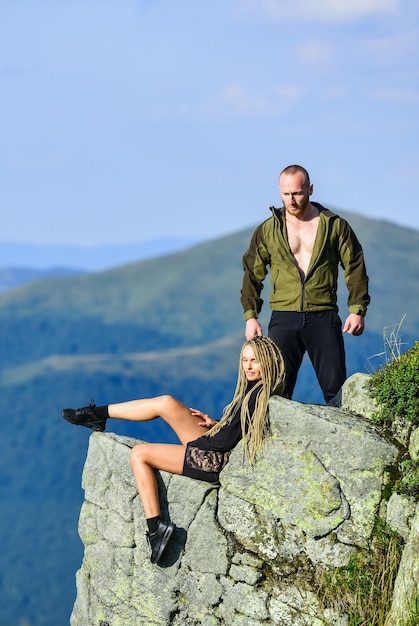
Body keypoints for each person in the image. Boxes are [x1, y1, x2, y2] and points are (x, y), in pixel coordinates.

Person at [62, 336, 285, 565]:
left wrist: (205, 439)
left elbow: (224, 443)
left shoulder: (258, 395)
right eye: (245, 360)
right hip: (215, 446)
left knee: (139, 454)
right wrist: (216, 424)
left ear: (268, 362)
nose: (248, 366)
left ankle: (155, 528)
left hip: (213, 459)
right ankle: (96, 415)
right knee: (166, 403)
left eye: (255, 361)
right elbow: (237, 430)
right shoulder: (255, 390)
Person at [241, 164, 370, 403]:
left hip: (323, 316)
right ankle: (267, 440)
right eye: (286, 194)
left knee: (336, 392)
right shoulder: (269, 230)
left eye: (297, 193)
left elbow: (355, 266)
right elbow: (252, 273)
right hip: (283, 316)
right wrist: (251, 316)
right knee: (274, 390)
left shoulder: (334, 225)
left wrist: (357, 309)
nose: (291, 200)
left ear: (310, 189)